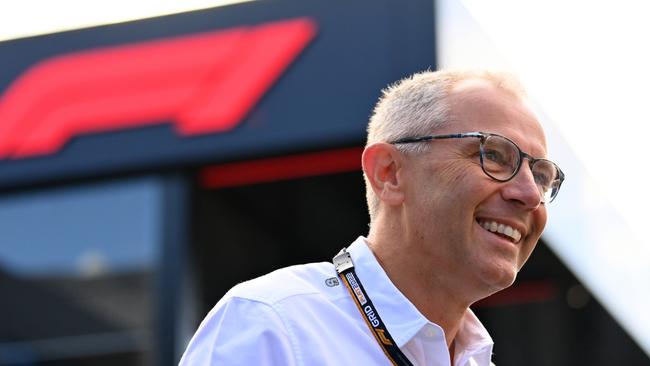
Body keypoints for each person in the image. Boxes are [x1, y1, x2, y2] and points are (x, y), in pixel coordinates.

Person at [178, 69, 565, 365]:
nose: (530, 194)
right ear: (389, 174)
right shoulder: (273, 323)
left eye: (541, 176)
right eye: (494, 155)